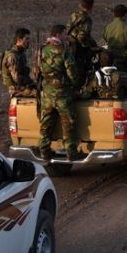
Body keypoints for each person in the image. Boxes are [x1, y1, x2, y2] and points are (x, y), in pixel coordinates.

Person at [38, 24, 82, 162]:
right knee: (68, 122)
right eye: (64, 34)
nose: (66, 37)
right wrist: (77, 85)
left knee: (46, 123)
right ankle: (71, 152)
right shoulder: (64, 51)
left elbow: (36, 70)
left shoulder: (42, 50)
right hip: (62, 93)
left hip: (46, 92)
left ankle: (44, 151)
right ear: (58, 35)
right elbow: (72, 74)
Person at [66, 0, 100, 89]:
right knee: (79, 72)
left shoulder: (73, 15)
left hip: (70, 45)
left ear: (80, 4)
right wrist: (91, 45)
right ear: (91, 7)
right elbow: (82, 37)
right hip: (78, 48)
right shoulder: (86, 19)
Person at [0, 28, 36, 97]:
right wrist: (31, 83)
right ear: (19, 40)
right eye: (27, 39)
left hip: (21, 87)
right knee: (42, 94)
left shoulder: (20, 53)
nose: (29, 41)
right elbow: (17, 78)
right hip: (16, 89)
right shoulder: (13, 56)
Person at [103, 4, 127, 72]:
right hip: (123, 61)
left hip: (109, 61)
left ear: (114, 14)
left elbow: (105, 38)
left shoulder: (108, 26)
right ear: (125, 14)